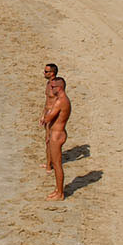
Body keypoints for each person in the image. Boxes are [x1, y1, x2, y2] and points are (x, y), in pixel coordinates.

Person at [43, 73, 71, 201]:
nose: (51, 89)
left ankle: (60, 194)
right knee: (56, 163)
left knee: (57, 165)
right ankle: (58, 190)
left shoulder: (61, 101)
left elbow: (48, 117)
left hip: (57, 134)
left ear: (59, 88)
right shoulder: (60, 100)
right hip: (56, 133)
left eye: (53, 87)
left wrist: (46, 116)